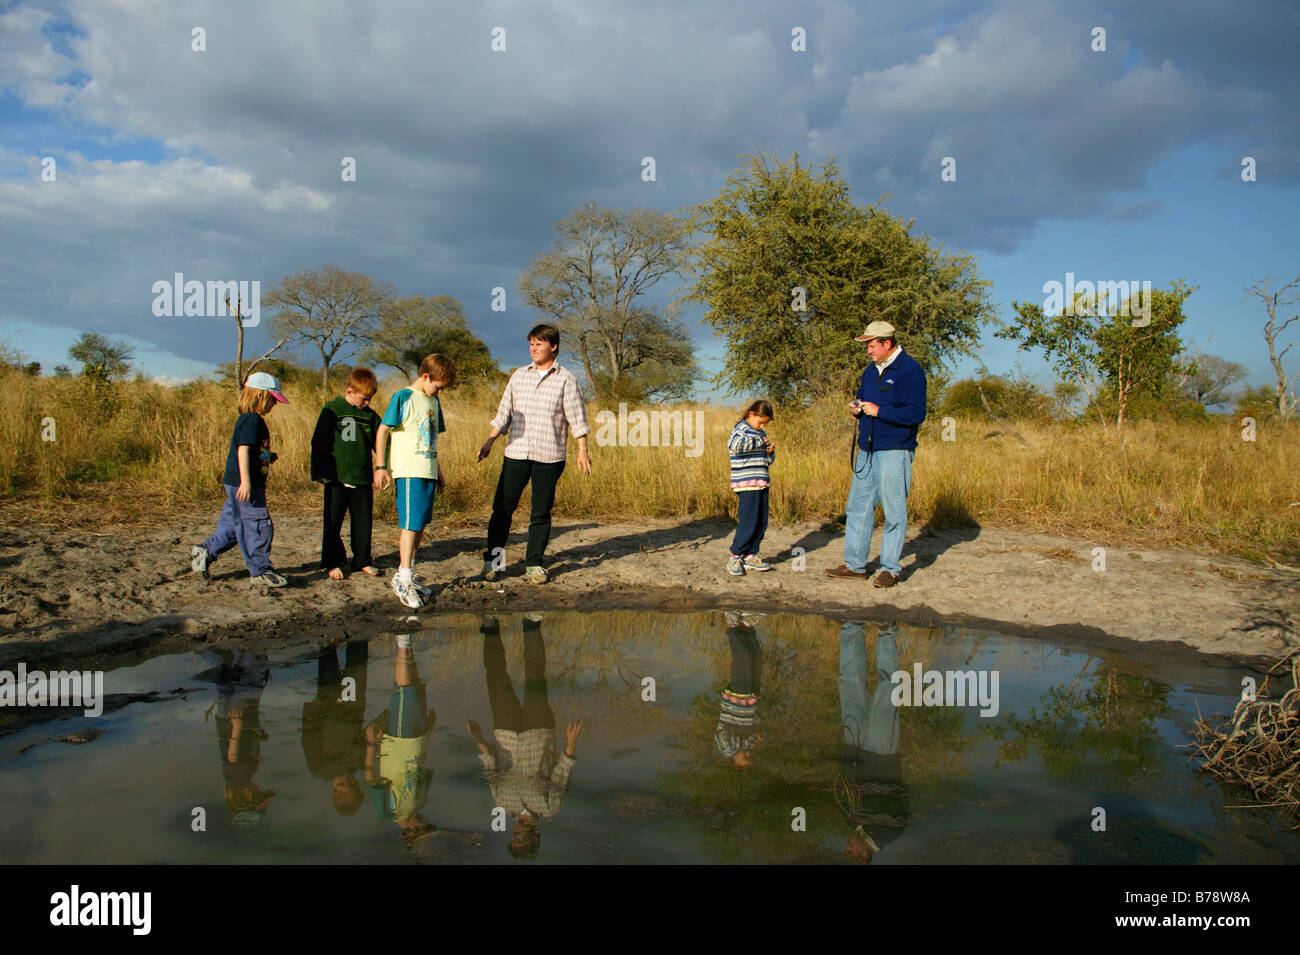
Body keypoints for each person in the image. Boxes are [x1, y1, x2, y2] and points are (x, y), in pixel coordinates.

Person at [476, 324, 591, 584]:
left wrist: (582, 450)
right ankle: (493, 562)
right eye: (531, 344)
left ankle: (534, 565)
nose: (533, 348)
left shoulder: (566, 379)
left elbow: (577, 419)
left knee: (540, 512)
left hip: (549, 456)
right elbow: (504, 413)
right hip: (516, 451)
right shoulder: (518, 376)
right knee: (502, 508)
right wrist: (490, 440)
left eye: (539, 344)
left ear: (553, 346)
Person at [467, 614, 581, 859]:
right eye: (521, 838)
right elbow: (562, 772)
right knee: (535, 678)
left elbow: (492, 767)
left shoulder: (503, 804)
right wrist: (571, 743)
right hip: (538, 732)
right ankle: (531, 624)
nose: (516, 833)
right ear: (534, 836)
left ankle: (490, 627)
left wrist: (479, 738)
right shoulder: (549, 808)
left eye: (513, 838)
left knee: (497, 681)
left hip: (506, 734)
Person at [826, 320, 927, 588]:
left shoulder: (911, 370)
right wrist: (857, 407)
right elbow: (864, 399)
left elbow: (916, 413)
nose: (868, 350)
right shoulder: (870, 371)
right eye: (867, 346)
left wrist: (879, 411)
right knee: (857, 507)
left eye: (871, 345)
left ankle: (890, 569)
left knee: (894, 511)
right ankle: (855, 565)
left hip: (895, 450)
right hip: (867, 450)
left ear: (887, 343)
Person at [191, 371, 288, 589]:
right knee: (257, 525)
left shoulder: (248, 420)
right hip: (246, 485)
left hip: (237, 482)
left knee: (237, 525)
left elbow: (250, 450)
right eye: (273, 399)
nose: (275, 404)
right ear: (261, 396)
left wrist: (266, 457)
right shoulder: (252, 420)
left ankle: (206, 552)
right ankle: (260, 570)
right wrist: (246, 481)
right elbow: (243, 450)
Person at [374, 354, 454, 609]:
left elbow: (432, 439)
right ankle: (405, 578)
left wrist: (439, 472)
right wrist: (381, 467)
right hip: (408, 470)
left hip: (427, 469)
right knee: (409, 524)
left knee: (420, 525)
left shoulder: (434, 400)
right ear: (426, 376)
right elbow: (383, 429)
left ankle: (404, 574)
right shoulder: (402, 397)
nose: (438, 391)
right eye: (438, 386)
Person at [838, 621, 910, 862]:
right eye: (851, 853)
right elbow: (895, 792)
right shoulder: (890, 832)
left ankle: (851, 627)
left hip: (855, 747)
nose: (847, 847)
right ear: (863, 856)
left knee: (848, 682)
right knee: (887, 689)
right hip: (881, 753)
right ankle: (886, 631)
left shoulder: (854, 822)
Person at [363, 633, 437, 847]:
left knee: (404, 691)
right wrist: (429, 733)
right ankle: (408, 644)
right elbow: (422, 765)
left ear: (411, 831)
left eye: (423, 826)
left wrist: (371, 745)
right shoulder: (419, 805)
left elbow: (372, 780)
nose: (425, 821)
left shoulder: (390, 812)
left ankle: (402, 643)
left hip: (399, 741)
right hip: (418, 738)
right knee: (417, 689)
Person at [310, 367, 383, 580]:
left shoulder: (370, 416)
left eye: (370, 398)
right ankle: (333, 562)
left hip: (362, 478)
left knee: (363, 522)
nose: (367, 402)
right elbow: (319, 441)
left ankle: (363, 560)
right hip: (337, 478)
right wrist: (319, 472)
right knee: (332, 522)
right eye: (363, 398)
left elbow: (381, 441)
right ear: (350, 391)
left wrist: (384, 467)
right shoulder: (333, 409)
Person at [300, 640, 369, 817]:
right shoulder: (359, 762)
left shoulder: (320, 769)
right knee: (357, 661)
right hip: (351, 705)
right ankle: (356, 632)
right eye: (344, 792)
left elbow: (309, 739)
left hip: (329, 708)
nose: (337, 791)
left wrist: (312, 711)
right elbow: (367, 735)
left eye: (337, 795)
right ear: (355, 784)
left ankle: (331, 635)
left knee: (329, 660)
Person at [726, 400, 776, 576]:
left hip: (761, 481)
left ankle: (750, 555)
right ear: (752, 414)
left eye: (765, 423)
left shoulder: (759, 433)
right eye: (760, 421)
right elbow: (735, 446)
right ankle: (735, 556)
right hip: (747, 483)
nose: (762, 425)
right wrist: (760, 443)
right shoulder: (741, 429)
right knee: (748, 521)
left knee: (761, 522)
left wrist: (769, 452)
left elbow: (767, 461)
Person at [717, 612, 765, 767]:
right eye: (750, 756)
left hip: (737, 699)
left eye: (746, 758)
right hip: (750, 700)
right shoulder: (745, 744)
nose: (748, 754)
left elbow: (724, 734)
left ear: (737, 764)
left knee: (742, 659)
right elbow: (753, 720)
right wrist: (757, 731)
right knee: (755, 658)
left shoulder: (727, 749)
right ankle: (747, 626)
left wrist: (749, 739)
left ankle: (732, 626)